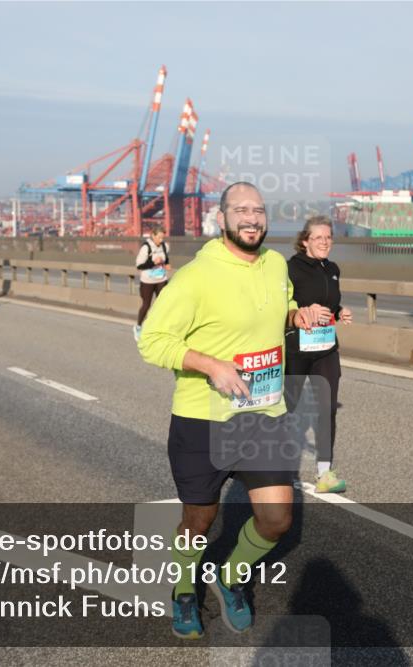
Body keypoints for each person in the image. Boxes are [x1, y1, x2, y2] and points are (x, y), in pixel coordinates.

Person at [138, 182, 317, 639]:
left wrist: (297, 315)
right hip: (204, 420)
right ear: (221, 219)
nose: (251, 218)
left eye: (258, 210)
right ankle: (184, 589)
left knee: (277, 521)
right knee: (198, 522)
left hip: (265, 416)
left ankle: (231, 576)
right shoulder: (196, 277)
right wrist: (210, 365)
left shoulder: (276, 264)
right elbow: (153, 341)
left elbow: (282, 303)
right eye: (241, 210)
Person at [284, 216, 353, 493]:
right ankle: (281, 470)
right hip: (297, 349)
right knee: (288, 410)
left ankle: (325, 474)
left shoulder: (333, 269)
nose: (325, 242)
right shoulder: (290, 268)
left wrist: (340, 312)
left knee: (327, 409)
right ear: (305, 241)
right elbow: (281, 305)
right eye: (318, 237)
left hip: (325, 349)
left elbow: (331, 304)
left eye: (328, 237)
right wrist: (301, 312)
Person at [133, 225, 170, 341]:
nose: (161, 240)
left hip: (161, 279)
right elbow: (139, 265)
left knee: (163, 304)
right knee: (146, 305)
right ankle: (138, 327)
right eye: (159, 238)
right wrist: (153, 262)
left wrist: (166, 264)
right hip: (148, 280)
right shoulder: (146, 247)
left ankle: (160, 328)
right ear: (153, 236)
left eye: (162, 238)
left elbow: (166, 259)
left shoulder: (165, 246)